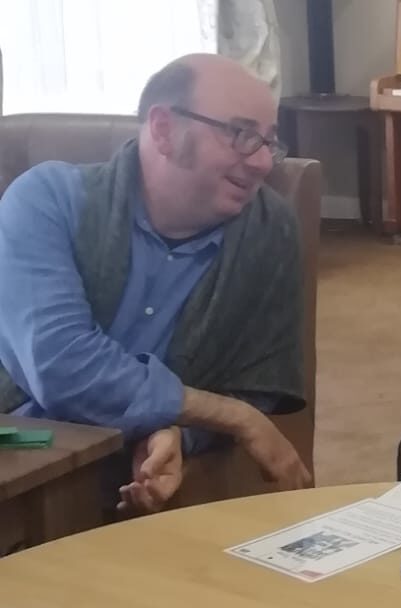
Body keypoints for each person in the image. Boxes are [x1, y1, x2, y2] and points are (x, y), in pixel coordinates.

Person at [0, 54, 311, 514]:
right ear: (164, 129)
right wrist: (233, 417)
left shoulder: (268, 230)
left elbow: (256, 383)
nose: (264, 162)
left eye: (269, 141)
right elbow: (62, 366)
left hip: (139, 478)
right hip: (23, 463)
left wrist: (178, 431)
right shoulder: (44, 201)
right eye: (243, 135)